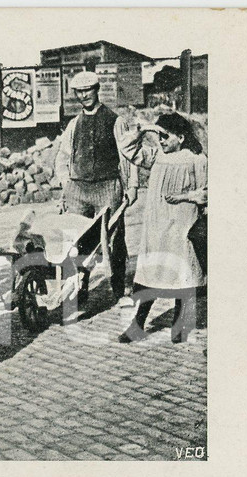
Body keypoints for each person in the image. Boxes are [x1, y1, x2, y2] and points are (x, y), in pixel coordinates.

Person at [116, 112, 207, 343]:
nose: (162, 141)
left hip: (182, 225)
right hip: (157, 227)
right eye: (160, 137)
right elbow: (128, 150)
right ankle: (137, 326)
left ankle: (179, 328)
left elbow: (207, 192)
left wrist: (184, 196)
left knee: (182, 275)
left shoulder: (197, 159)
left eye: (166, 136)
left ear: (182, 137)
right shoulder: (156, 156)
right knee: (152, 276)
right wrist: (143, 130)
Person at [53, 71, 138, 302]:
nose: (84, 95)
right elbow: (63, 157)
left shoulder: (115, 120)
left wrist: (132, 186)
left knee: (114, 238)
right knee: (76, 242)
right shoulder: (73, 124)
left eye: (88, 90)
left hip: (107, 188)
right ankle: (79, 288)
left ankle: (119, 288)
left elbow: (127, 156)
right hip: (78, 191)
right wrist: (65, 182)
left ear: (96, 89)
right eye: (79, 92)